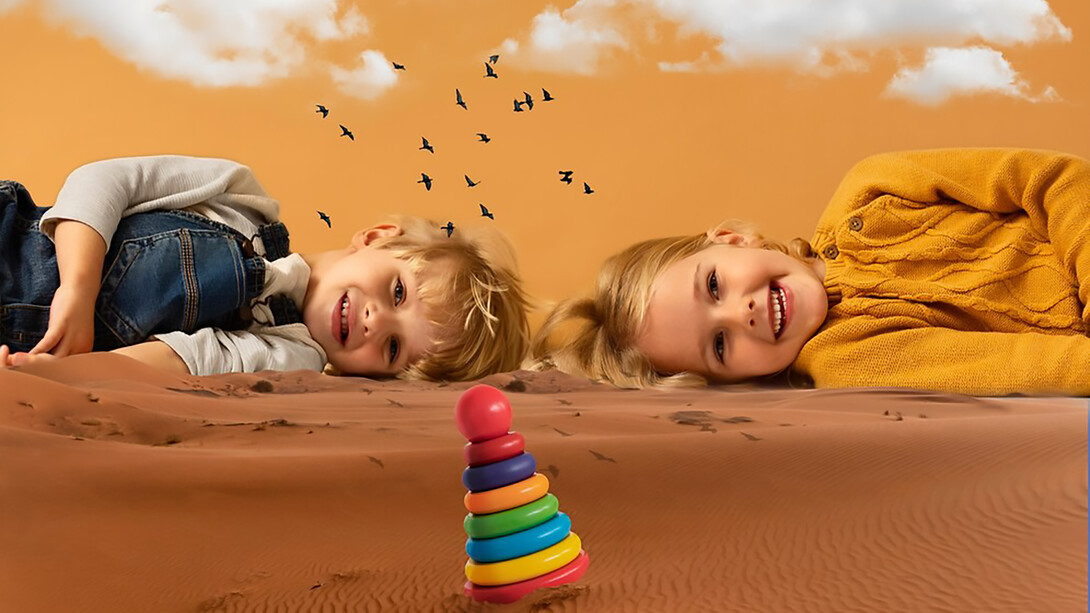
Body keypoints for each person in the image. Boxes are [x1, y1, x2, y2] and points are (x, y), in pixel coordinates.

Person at [527, 148, 1090, 396]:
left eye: (714, 286)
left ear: (731, 239)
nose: (738, 314)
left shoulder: (872, 187)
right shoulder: (849, 361)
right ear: (735, 381)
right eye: (719, 346)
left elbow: (1047, 179)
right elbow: (1025, 367)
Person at [1, 155, 532, 380]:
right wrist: (77, 287)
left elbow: (192, 358)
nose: (375, 323)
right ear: (375, 238)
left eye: (393, 349)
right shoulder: (242, 198)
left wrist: (77, 375)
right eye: (397, 293)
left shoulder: (292, 354)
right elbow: (104, 181)